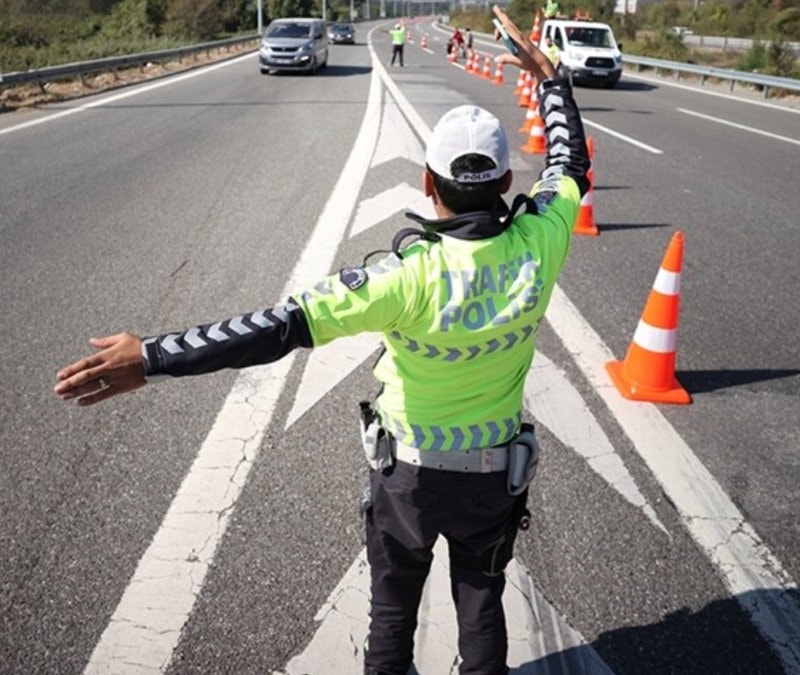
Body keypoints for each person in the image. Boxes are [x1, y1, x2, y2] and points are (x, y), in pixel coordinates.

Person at [53, 5, 590, 674]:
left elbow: (272, 328)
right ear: (507, 183)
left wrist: (153, 356)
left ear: (428, 184)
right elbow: (570, 162)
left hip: (410, 479)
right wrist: (551, 80)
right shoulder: (543, 240)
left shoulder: (401, 278)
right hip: (493, 476)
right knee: (482, 600)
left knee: (393, 614)